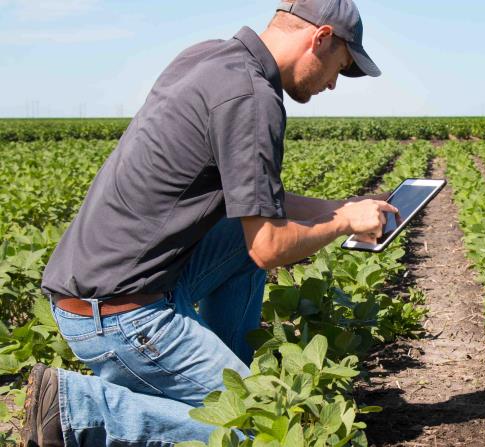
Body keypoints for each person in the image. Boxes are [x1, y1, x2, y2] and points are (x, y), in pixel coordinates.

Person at [22, 1, 394, 445]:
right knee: (267, 427)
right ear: (321, 38)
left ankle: (223, 374)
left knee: (241, 234)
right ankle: (76, 408)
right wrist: (344, 224)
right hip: (121, 316)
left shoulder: (210, 58)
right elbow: (269, 248)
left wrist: (336, 206)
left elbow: (259, 207)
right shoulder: (254, 99)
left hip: (100, 287)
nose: (333, 84)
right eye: (341, 65)